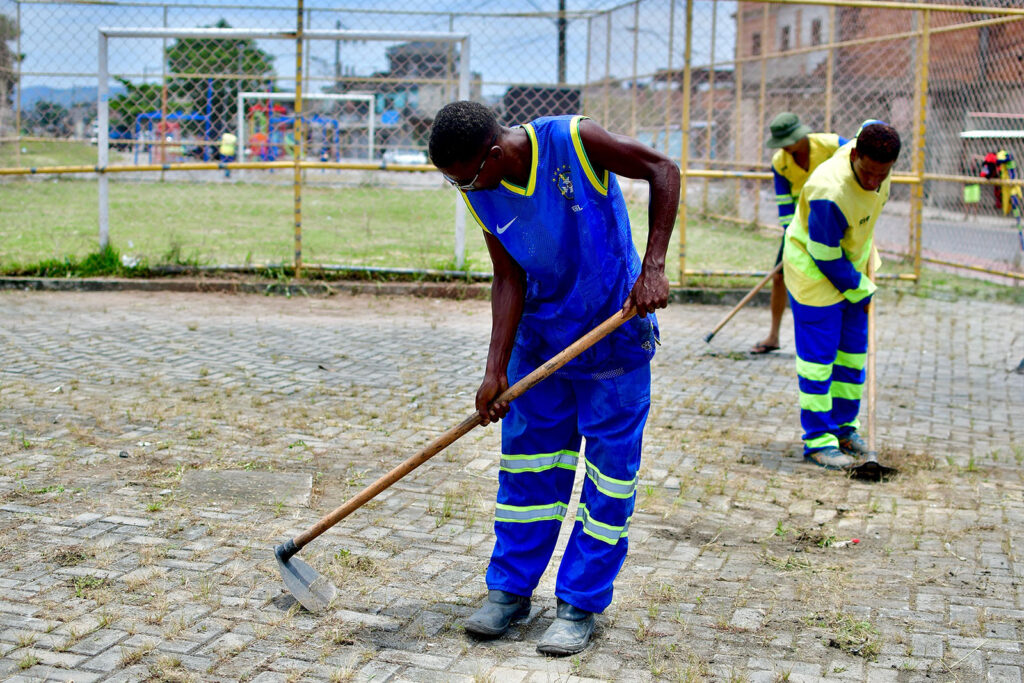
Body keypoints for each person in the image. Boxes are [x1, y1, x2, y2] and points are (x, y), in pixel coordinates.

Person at [427, 101, 679, 656]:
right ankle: (509, 591)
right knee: (528, 471)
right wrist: (494, 370)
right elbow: (508, 276)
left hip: (613, 332)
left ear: (494, 154)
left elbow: (664, 170)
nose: (461, 187)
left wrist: (653, 267)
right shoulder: (480, 189)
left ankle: (579, 603)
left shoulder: (574, 141)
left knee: (609, 478)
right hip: (539, 346)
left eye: (465, 176)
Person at [782, 121, 900, 470]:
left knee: (851, 357)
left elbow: (870, 125)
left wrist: (862, 272)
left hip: (853, 264)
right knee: (819, 362)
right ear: (854, 155)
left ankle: (845, 430)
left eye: (883, 174)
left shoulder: (873, 152)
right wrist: (861, 288)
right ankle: (819, 440)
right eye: (867, 172)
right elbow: (825, 255)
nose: (873, 182)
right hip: (816, 275)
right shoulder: (827, 191)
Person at [753, 112, 848, 354]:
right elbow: (784, 204)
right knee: (779, 277)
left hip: (835, 223)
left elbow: (857, 162)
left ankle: (840, 339)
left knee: (835, 276)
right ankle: (773, 336)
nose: (785, 148)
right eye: (781, 143)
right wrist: (792, 237)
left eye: (788, 142)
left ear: (800, 135)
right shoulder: (780, 162)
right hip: (800, 228)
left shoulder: (832, 145)